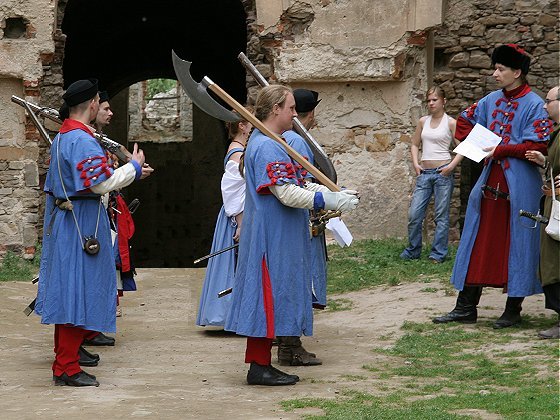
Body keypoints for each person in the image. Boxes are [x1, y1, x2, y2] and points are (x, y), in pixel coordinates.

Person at [224, 85, 359, 386]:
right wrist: (329, 200)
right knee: (267, 299)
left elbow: (298, 183)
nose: (296, 114)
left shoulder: (276, 142)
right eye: (291, 108)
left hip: (279, 234)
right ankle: (259, 366)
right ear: (275, 109)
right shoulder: (266, 146)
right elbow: (285, 192)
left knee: (273, 297)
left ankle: (261, 364)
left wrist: (332, 192)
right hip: (270, 237)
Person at [34, 79, 153, 387]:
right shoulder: (81, 140)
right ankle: (67, 367)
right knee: (78, 292)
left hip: (70, 220)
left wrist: (127, 171)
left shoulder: (64, 135)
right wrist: (133, 168)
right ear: (91, 104)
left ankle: (65, 362)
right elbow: (98, 184)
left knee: (70, 293)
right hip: (81, 223)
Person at [433, 44, 551, 329]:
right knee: (477, 241)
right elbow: (463, 123)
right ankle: (465, 307)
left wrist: (501, 149)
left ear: (517, 72)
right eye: (495, 68)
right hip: (488, 183)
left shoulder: (534, 104)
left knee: (518, 243)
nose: (495, 74)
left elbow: (538, 144)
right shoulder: (490, 100)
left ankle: (513, 309)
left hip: (521, 186)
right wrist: (481, 143)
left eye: (500, 69)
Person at [278, 89, 326, 366]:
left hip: (295, 218)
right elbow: (299, 185)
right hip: (298, 219)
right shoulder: (293, 139)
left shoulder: (286, 138)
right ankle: (290, 346)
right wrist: (325, 198)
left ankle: (287, 341)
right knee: (298, 283)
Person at [196, 111, 252, 327]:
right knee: (235, 264)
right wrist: (241, 223)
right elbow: (233, 191)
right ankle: (231, 316)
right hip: (237, 217)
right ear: (242, 126)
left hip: (239, 215)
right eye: (251, 122)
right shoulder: (237, 153)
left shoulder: (240, 150)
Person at [400, 86, 461, 263]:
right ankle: (413, 250)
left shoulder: (451, 122)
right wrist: (415, 163)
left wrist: (451, 166)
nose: (431, 103)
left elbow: (463, 148)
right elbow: (414, 144)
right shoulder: (423, 121)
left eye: (435, 100)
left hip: (443, 173)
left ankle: (438, 253)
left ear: (444, 101)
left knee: (441, 215)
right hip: (424, 173)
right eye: (429, 100)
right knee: (414, 214)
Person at [526, 85, 560, 339]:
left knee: (556, 263)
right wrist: (544, 161)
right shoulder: (557, 131)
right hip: (555, 204)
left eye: (548, 101)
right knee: (552, 262)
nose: (544, 105)